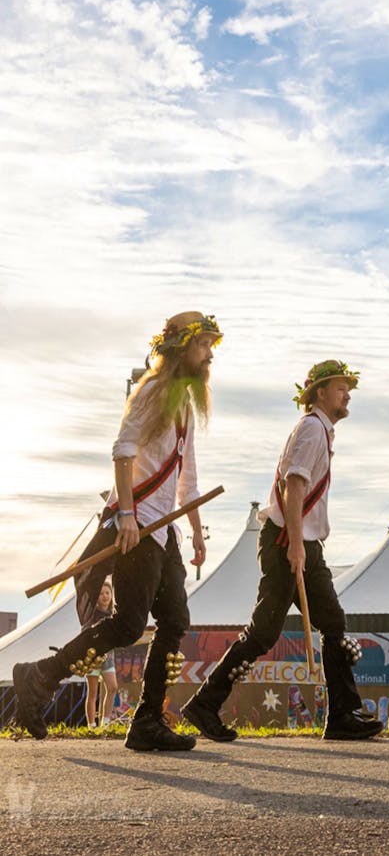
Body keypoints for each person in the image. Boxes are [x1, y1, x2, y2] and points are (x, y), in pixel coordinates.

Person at [13, 310, 222, 751]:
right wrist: (126, 515)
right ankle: (39, 677)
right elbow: (122, 451)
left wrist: (198, 533)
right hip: (138, 526)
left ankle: (147, 721)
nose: (209, 356)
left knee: (174, 620)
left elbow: (188, 480)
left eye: (210, 347)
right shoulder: (152, 392)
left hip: (163, 533)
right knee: (129, 625)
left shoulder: (184, 402)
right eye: (203, 345)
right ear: (181, 348)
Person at [182, 360, 383, 742]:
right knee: (262, 634)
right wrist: (294, 543)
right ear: (320, 392)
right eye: (341, 388)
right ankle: (204, 704)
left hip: (303, 543)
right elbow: (294, 485)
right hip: (287, 543)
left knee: (334, 626)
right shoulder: (311, 429)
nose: (348, 394)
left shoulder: (320, 432)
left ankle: (342, 714)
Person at [84, 582, 118, 728]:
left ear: (111, 595)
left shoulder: (114, 615)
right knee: (93, 692)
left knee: (113, 687)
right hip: (92, 658)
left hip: (108, 657)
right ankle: (91, 725)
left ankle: (105, 722)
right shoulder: (91, 615)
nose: (105, 596)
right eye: (101, 593)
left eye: (107, 593)